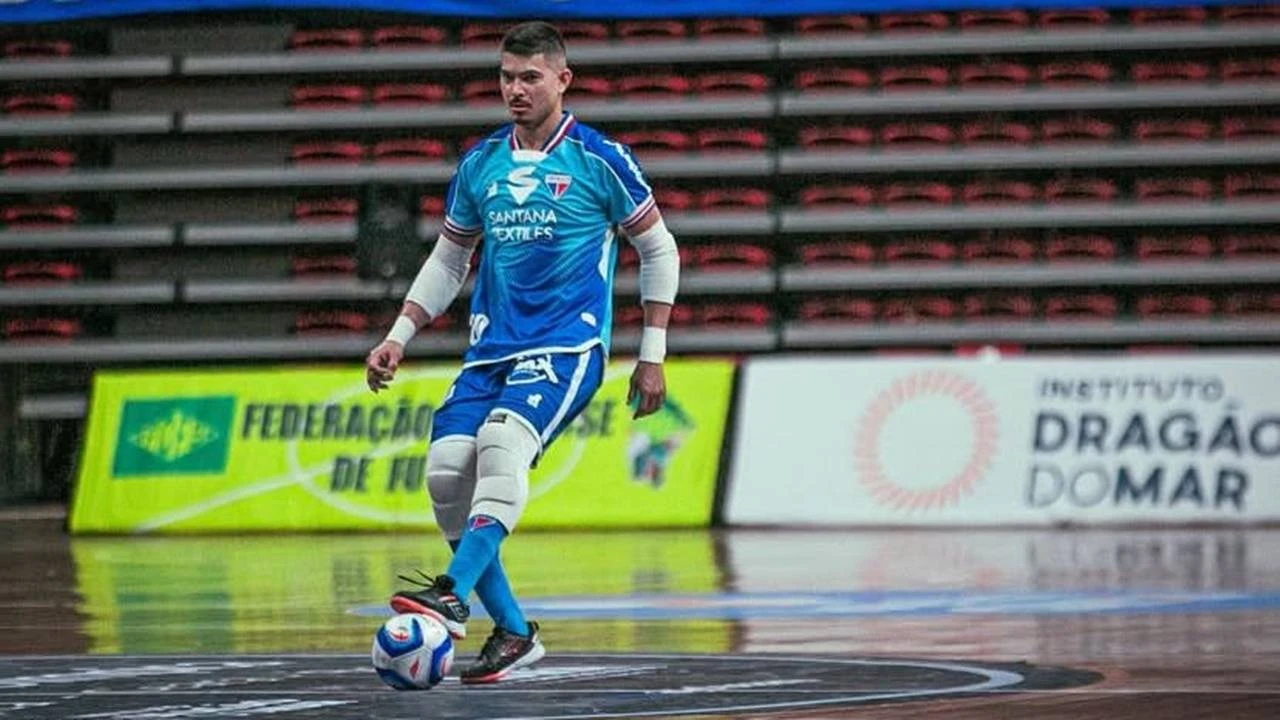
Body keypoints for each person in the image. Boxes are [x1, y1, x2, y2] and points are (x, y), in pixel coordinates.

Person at [364, 21, 680, 684]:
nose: (516, 89)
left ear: (563, 80)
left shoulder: (599, 158)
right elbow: (449, 259)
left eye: (530, 77)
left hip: (568, 345)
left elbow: (659, 249)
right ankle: (512, 631)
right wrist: (398, 335)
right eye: (507, 77)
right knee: (445, 474)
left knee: (502, 443)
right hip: (490, 351)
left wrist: (651, 353)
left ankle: (452, 592)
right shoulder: (481, 163)